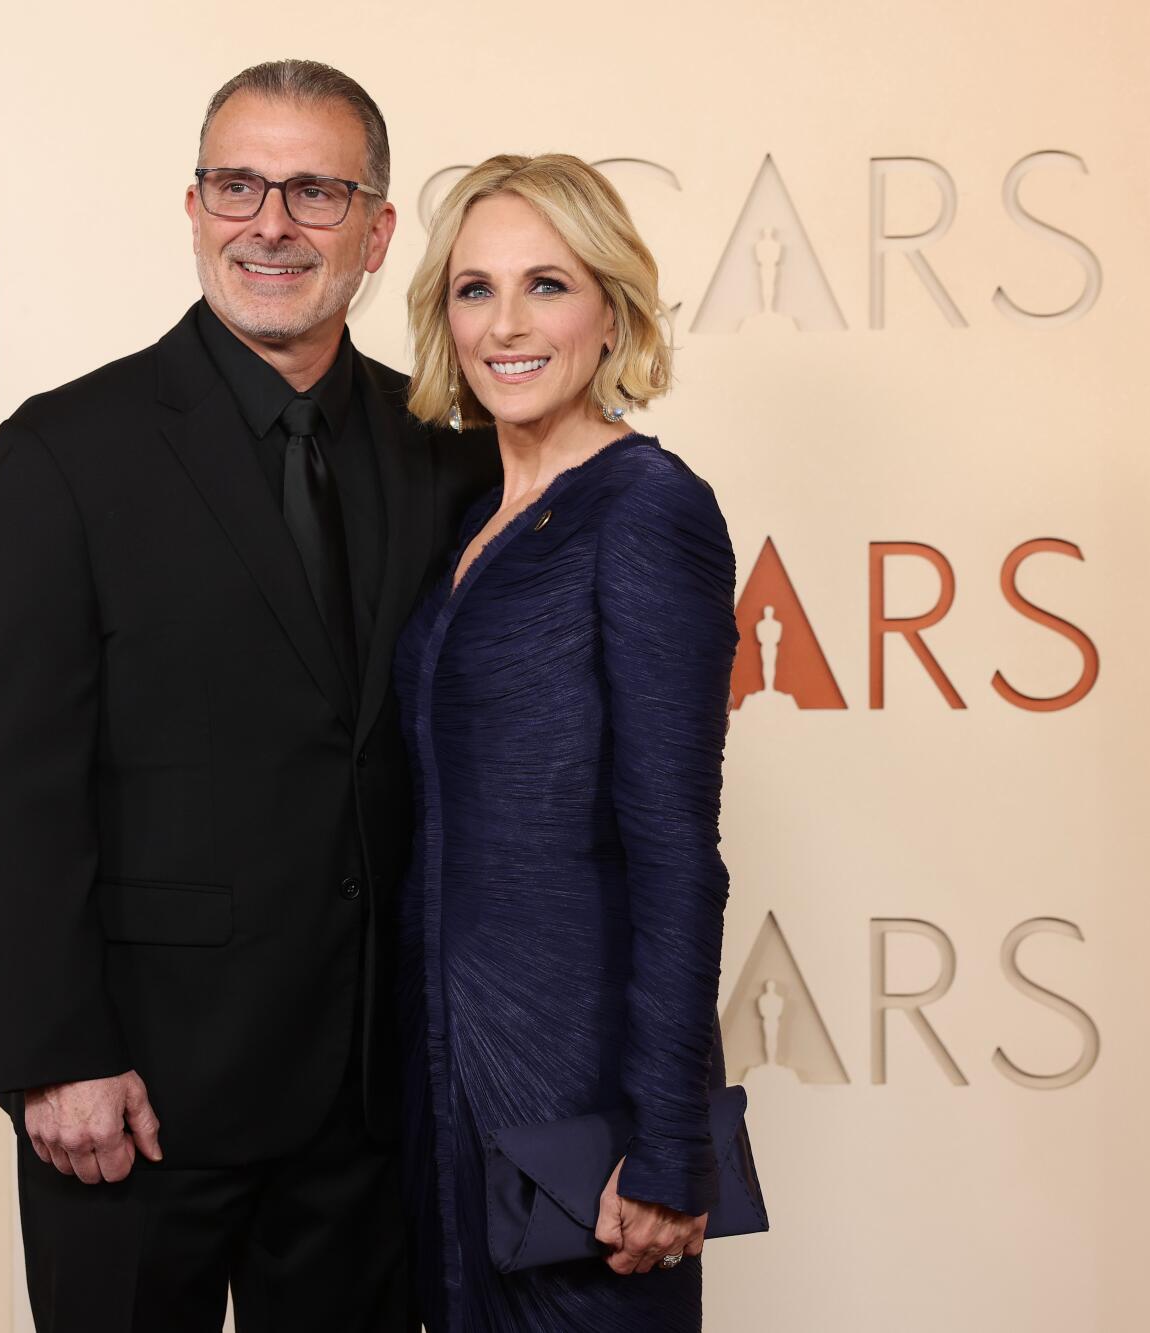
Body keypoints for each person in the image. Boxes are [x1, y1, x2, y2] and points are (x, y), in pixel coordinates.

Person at [0, 60, 498, 1332]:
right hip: (132, 1102)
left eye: (314, 192)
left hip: (366, 1110)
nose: (271, 224)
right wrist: (55, 1053)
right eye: (238, 186)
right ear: (193, 209)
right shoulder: (60, 455)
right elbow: (2, 782)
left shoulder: (441, 456)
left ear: (375, 232)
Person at [394, 154, 740, 1331]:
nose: (505, 324)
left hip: (579, 1105)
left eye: (545, 284)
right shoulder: (464, 516)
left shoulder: (645, 507)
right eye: (473, 289)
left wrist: (667, 1139)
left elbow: (675, 849)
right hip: (442, 1090)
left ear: (610, 312)